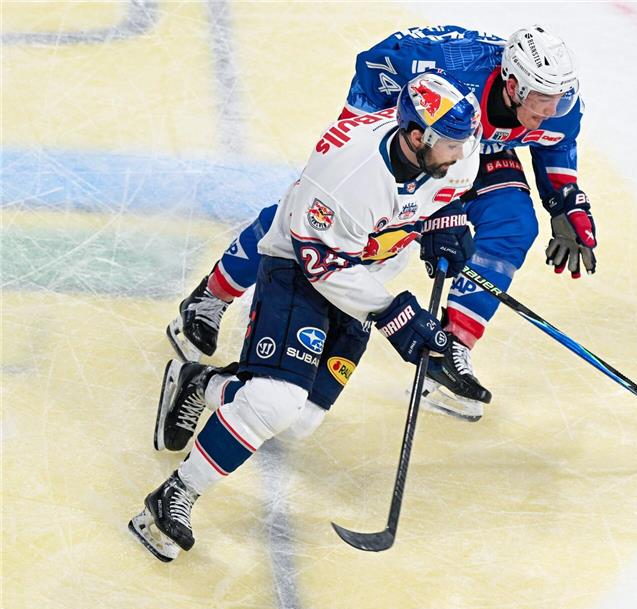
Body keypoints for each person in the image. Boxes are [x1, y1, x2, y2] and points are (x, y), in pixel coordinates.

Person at [129, 71, 482, 562]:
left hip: (363, 271)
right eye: (452, 144)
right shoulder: (345, 175)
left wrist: (448, 224)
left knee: (298, 422)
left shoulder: (453, 145)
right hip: (299, 264)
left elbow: (453, 193)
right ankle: (173, 497)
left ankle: (200, 383)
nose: (463, 153)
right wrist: (394, 315)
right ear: (417, 136)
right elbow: (324, 267)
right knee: (275, 403)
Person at [167, 25, 596, 421]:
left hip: (470, 147)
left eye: (559, 98)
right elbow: (377, 62)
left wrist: (566, 206)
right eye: (542, 98)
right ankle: (210, 297)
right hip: (407, 121)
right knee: (316, 210)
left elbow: (555, 142)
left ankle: (447, 351)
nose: (553, 108)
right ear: (513, 84)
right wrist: (359, 151)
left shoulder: (556, 106)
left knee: (514, 223)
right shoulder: (443, 64)